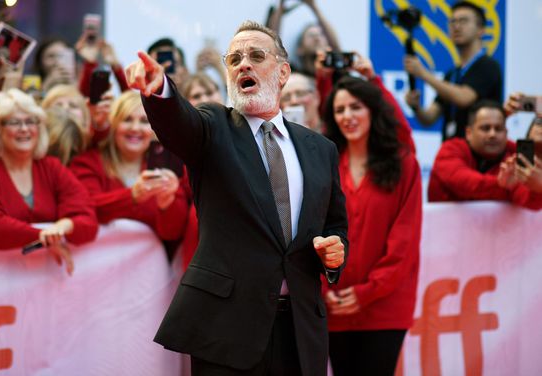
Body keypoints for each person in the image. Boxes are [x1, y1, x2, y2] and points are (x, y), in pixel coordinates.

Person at [126, 20, 348, 375]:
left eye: (256, 55)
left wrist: (336, 252)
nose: (243, 64)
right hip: (227, 329)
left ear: (283, 72)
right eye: (235, 59)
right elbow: (178, 123)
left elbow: (335, 224)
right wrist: (159, 91)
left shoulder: (320, 149)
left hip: (300, 331)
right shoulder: (214, 126)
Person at [323, 76, 422, 375]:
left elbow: (405, 241)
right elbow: (313, 232)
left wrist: (368, 292)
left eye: (356, 107)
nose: (347, 116)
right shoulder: (324, 162)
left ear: (374, 111)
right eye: (340, 110)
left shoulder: (404, 164)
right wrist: (323, 288)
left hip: (385, 306)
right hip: (334, 302)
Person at [0, 89, 98, 275]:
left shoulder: (51, 167)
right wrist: (44, 238)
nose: (24, 129)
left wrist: (64, 226)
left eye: (30, 121)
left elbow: (88, 220)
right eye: (14, 122)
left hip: (45, 282)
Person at [69, 91, 188, 242]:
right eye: (127, 120)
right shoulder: (88, 162)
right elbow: (85, 208)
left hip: (147, 264)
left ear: (154, 129)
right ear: (114, 125)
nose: (135, 128)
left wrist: (167, 203)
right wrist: (132, 195)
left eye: (144, 121)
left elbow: (172, 234)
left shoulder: (167, 167)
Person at [404, 1, 502, 141]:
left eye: (463, 21)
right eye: (452, 21)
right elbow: (429, 118)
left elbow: (464, 98)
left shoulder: (488, 66)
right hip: (451, 152)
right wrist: (416, 108)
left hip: (478, 155)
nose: (456, 26)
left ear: (481, 29)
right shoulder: (452, 74)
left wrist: (423, 74)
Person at [428, 100, 542, 208]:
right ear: (469, 133)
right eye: (485, 128)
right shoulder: (450, 150)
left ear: (506, 132)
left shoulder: (515, 156)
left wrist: (538, 188)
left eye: (498, 129)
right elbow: (466, 184)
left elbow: (528, 202)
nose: (492, 134)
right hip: (445, 228)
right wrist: (502, 185)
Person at [267, 0, 341, 77]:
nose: (317, 38)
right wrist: (281, 5)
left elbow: (336, 48)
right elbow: (272, 46)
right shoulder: (290, 73)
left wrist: (313, 6)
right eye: (311, 35)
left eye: (321, 35)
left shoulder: (334, 73)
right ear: (300, 49)